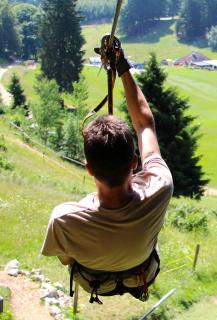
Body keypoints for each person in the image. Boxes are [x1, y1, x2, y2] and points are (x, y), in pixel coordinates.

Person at [41, 36, 173, 304]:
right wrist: (121, 65)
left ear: (89, 169)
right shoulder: (161, 186)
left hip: (93, 282)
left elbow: (66, 258)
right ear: (134, 162)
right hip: (142, 270)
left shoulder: (64, 218)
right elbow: (145, 125)